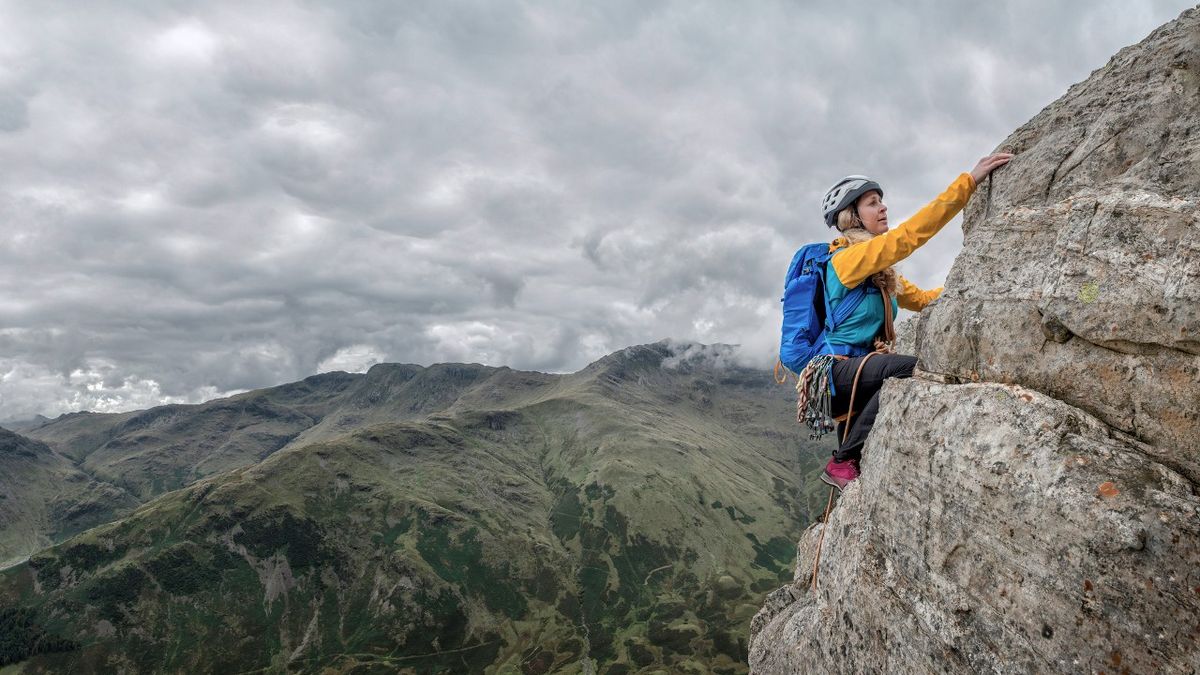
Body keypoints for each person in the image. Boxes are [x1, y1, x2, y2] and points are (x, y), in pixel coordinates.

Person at [815, 152, 1013, 491]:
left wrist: (976, 283)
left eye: (882, 201)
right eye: (872, 203)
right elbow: (908, 237)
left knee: (859, 467)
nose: (883, 208)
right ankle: (841, 460)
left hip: (858, 375)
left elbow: (922, 299)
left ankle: (844, 476)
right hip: (838, 372)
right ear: (851, 218)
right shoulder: (847, 260)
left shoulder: (881, 274)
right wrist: (968, 183)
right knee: (909, 368)